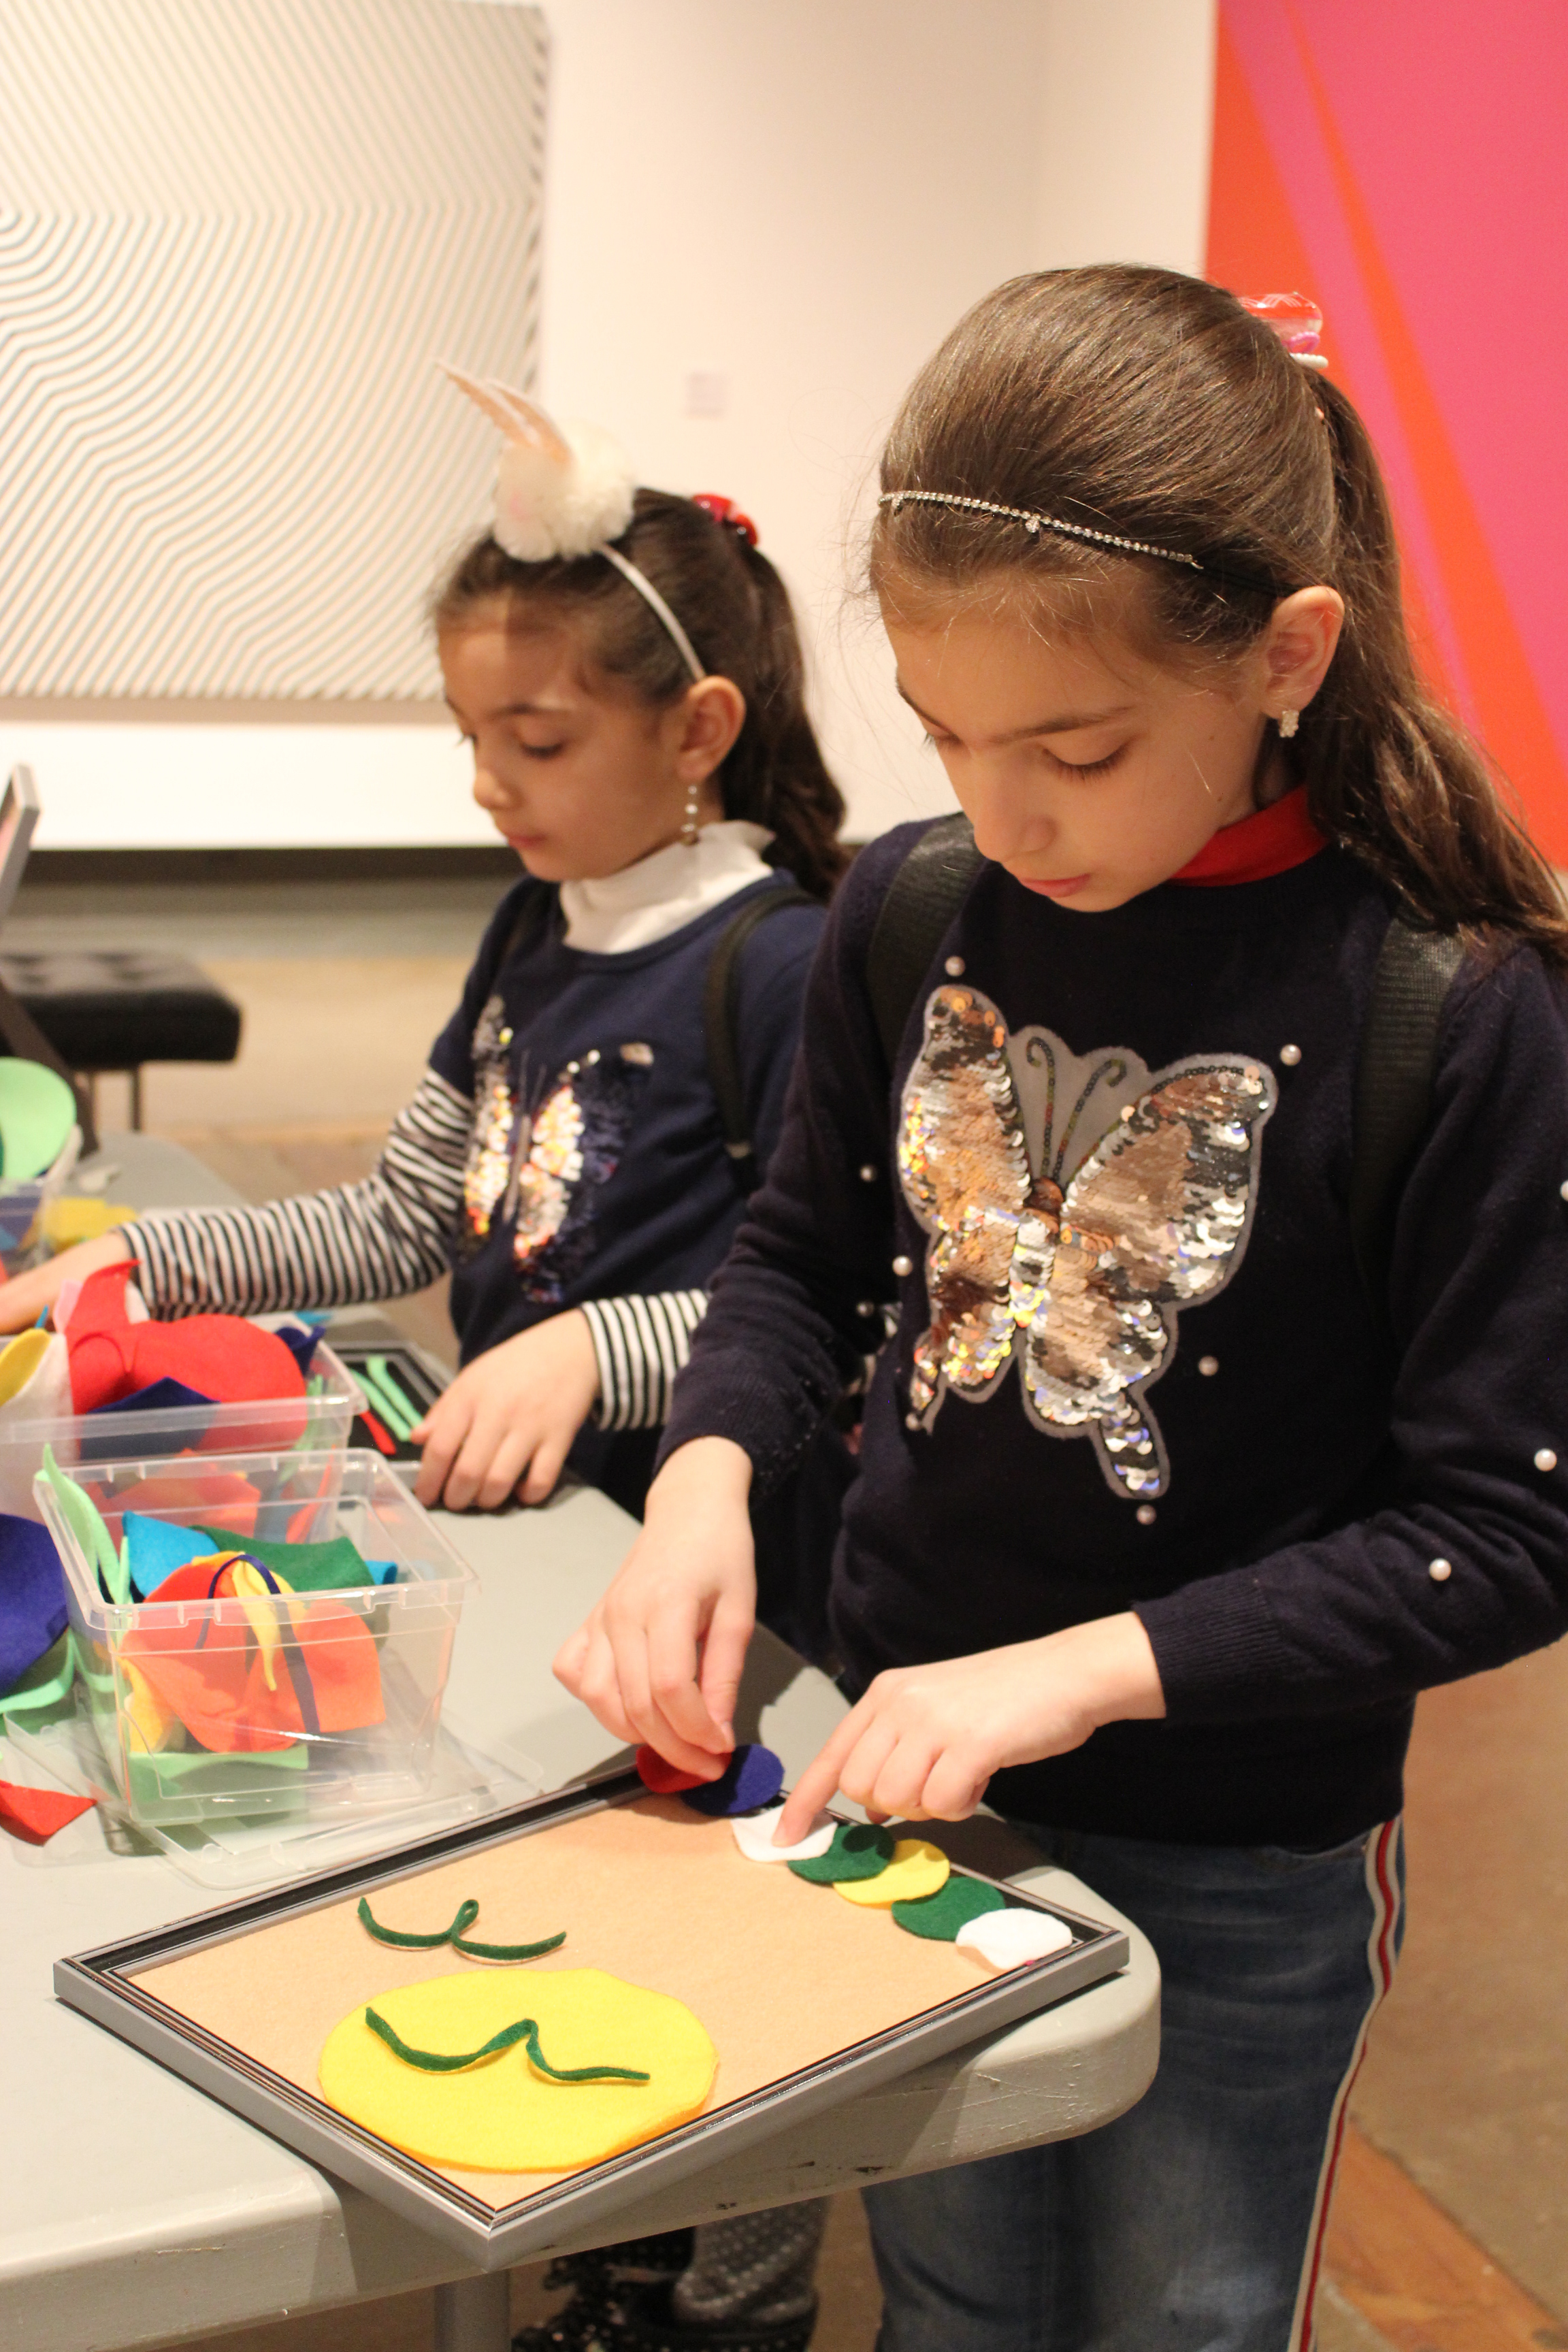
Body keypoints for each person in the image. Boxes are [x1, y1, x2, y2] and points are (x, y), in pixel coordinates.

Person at [555, 265, 1568, 2352]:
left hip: (1244, 1858)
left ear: (1288, 656)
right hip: (922, 1797)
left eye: (1080, 750)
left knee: (1182, 2316)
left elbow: (1507, 1530)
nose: (1005, 813)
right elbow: (799, 1261)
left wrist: (1080, 1670)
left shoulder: (1453, 1012)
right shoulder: (915, 911)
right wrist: (710, 1481)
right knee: (951, 2295)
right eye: (943, 734)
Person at [0, 383, 847, 1550]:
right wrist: (143, 1251)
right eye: (471, 735)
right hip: (527, 1502)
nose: (488, 784)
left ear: (698, 729)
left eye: (538, 742)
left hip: (687, 1537)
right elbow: (403, 1218)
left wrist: (591, 1353)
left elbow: (833, 1308)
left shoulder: (781, 967)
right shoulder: (531, 925)